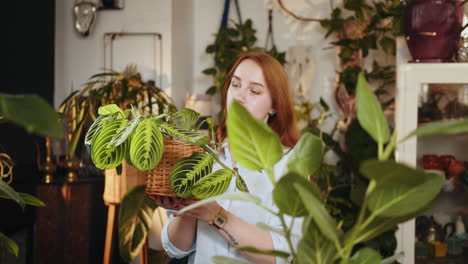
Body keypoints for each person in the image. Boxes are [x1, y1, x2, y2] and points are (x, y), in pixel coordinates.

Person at [154, 52, 301, 264]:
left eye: (254, 91)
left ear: (274, 106)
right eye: (235, 85)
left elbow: (284, 256)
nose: (240, 96)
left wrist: (216, 215)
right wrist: (187, 207)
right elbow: (176, 249)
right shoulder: (204, 155)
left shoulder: (289, 166)